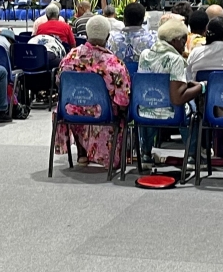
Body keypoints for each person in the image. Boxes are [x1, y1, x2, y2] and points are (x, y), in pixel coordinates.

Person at [53, 17, 130, 168]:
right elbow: (123, 101)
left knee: (77, 105)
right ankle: (109, 156)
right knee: (120, 112)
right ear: (107, 37)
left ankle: (82, 153)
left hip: (70, 111)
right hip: (103, 113)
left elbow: (59, 83)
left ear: (86, 35)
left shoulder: (69, 57)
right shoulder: (115, 64)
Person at [135, 16, 204, 165]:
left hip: (144, 111)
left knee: (151, 106)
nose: (184, 44)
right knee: (192, 108)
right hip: (170, 113)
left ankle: (146, 153)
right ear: (174, 40)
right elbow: (177, 99)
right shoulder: (175, 59)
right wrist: (202, 87)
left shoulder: (145, 55)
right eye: (183, 40)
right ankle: (192, 156)